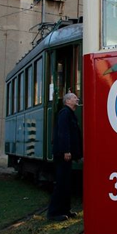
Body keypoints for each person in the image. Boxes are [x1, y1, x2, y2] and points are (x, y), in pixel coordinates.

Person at [48, 92, 82, 221]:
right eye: (74, 97)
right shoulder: (64, 114)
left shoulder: (70, 114)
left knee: (67, 184)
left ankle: (65, 210)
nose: (77, 99)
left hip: (67, 155)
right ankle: (54, 213)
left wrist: (77, 154)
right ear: (67, 101)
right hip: (62, 155)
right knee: (61, 183)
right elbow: (63, 133)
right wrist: (66, 151)